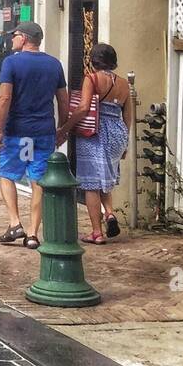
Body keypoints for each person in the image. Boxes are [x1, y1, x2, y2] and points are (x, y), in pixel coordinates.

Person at [0, 21, 68, 250]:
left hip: (17, 132)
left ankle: (15, 223)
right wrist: (62, 128)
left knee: (6, 174)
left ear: (24, 38)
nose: (12, 39)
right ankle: (33, 234)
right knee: (38, 181)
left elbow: (4, 98)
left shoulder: (11, 63)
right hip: (44, 131)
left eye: (14, 35)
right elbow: (63, 99)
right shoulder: (54, 64)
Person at [57, 43, 134, 243]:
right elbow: (128, 115)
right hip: (118, 133)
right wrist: (125, 143)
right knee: (105, 179)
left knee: (91, 184)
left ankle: (96, 232)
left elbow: (83, 108)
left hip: (96, 132)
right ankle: (109, 213)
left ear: (94, 60)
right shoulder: (125, 84)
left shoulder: (91, 79)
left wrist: (65, 128)